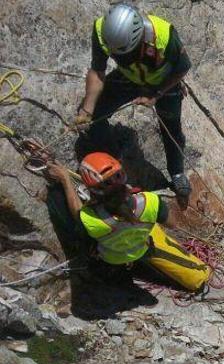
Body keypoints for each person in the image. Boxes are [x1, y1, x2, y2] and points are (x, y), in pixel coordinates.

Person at [74, 3, 192, 202]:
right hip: (129, 78)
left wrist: (156, 94)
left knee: (172, 130)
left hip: (164, 83)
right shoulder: (103, 32)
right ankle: (113, 161)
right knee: (95, 116)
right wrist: (87, 110)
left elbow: (181, 69)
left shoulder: (164, 36)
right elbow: (97, 71)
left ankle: (177, 172)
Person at [47, 152, 210, 292]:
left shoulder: (92, 220)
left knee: (57, 201)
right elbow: (172, 224)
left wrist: (65, 179)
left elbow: (77, 212)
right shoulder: (151, 202)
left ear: (93, 191)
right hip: (142, 246)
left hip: (112, 257)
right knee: (152, 230)